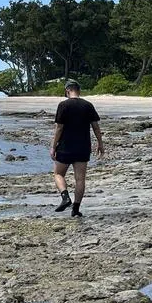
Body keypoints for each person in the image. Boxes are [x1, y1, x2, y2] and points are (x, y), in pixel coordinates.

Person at [50, 80, 104, 217]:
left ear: (67, 91)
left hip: (65, 146)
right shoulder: (88, 105)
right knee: (80, 179)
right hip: (83, 147)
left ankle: (65, 197)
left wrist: (53, 146)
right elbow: (95, 126)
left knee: (58, 174)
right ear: (78, 90)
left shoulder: (63, 105)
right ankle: (76, 209)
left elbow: (59, 128)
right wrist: (100, 143)